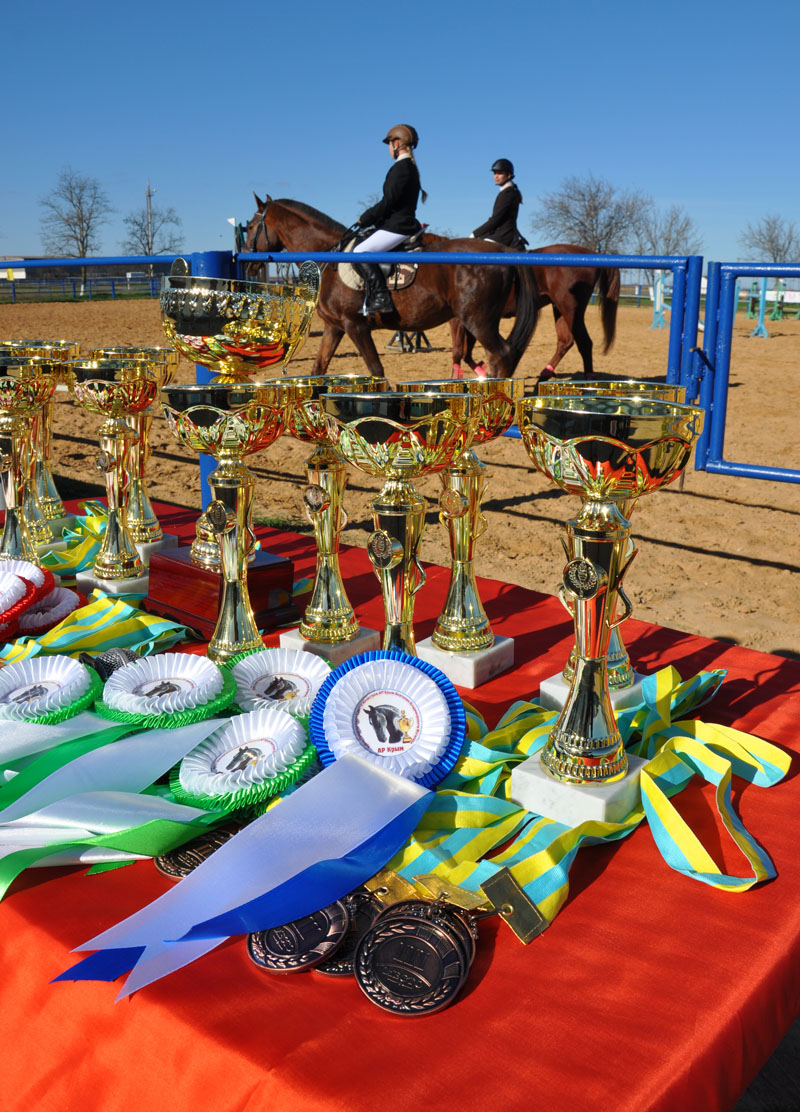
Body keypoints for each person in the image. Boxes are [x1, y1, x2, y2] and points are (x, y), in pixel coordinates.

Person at [352, 124, 426, 315]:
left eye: (389, 143)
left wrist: (366, 218)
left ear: (397, 143)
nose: (388, 148)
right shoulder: (409, 167)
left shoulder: (401, 168)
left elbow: (388, 202)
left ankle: (380, 297)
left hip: (398, 226)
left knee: (359, 251)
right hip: (398, 224)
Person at [472, 159, 527, 249]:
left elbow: (496, 219)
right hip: (498, 233)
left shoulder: (508, 193)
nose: (496, 176)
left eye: (500, 173)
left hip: (503, 235)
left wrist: (475, 233)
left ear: (508, 175)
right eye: (495, 173)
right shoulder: (507, 192)